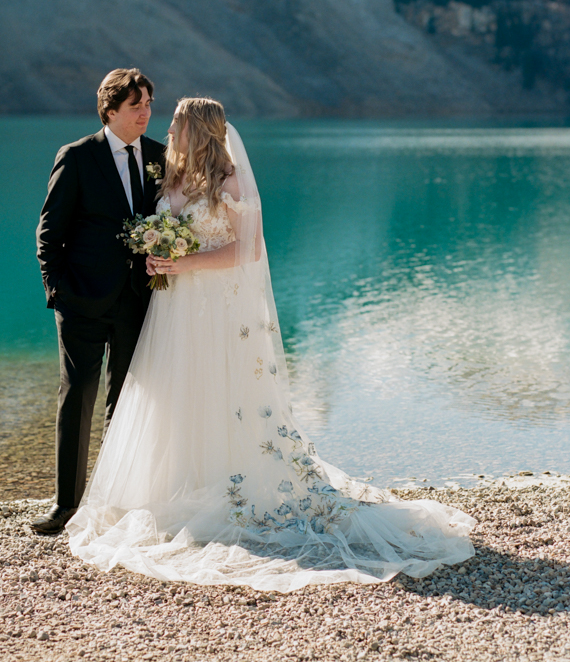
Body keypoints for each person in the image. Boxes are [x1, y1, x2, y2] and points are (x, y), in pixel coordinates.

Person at [66, 98, 475, 589]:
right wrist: (158, 257)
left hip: (215, 308)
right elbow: (167, 234)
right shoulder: (171, 180)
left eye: (174, 122)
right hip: (174, 310)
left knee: (224, 392)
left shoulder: (230, 182)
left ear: (196, 129)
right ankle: (177, 484)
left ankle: (224, 486)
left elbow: (248, 249)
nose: (166, 129)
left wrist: (183, 263)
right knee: (177, 390)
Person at [32, 68, 166, 536]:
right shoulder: (77, 157)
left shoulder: (159, 157)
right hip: (82, 302)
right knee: (78, 398)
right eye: (136, 105)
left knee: (126, 403)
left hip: (138, 301)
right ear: (110, 110)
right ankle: (66, 506)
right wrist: (59, 293)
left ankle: (113, 503)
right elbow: (49, 233)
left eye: (148, 103)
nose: (146, 112)